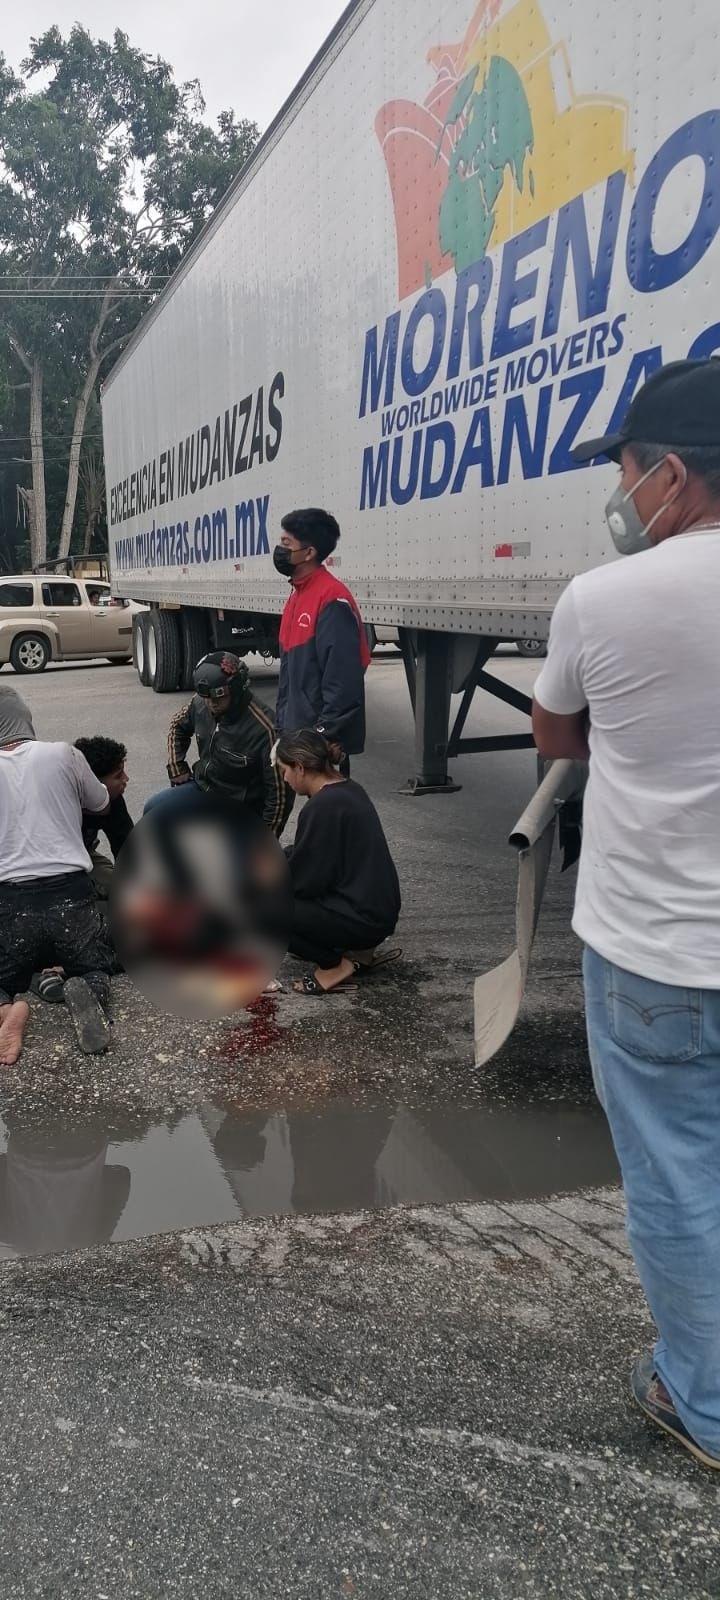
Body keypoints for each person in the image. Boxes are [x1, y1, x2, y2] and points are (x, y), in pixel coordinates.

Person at [531, 357, 720, 1472]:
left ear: (676, 474)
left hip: (654, 948)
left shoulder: (604, 596)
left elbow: (557, 735)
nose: (623, 492)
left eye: (628, 469)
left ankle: (700, 1395)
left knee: (677, 1178)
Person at [0, 686, 115, 1065]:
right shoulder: (64, 753)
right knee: (95, 960)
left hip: (14, 906)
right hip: (72, 897)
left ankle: (6, 1012)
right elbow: (101, 802)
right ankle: (86, 991)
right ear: (26, 716)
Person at [273, 729, 400, 994]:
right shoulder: (347, 789)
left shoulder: (322, 807)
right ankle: (354, 951)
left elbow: (306, 881)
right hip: (375, 910)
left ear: (299, 767)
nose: (284, 779)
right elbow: (317, 854)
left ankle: (332, 966)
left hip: (363, 918)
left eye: (284, 770)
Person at [146, 652, 290, 836]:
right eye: (206, 697)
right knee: (154, 809)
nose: (211, 703)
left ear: (237, 689)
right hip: (203, 789)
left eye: (218, 697)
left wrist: (264, 844)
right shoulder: (200, 703)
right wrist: (176, 765)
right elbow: (177, 725)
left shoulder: (265, 729)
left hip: (240, 809)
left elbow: (279, 797)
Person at [274, 508, 371, 768]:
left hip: (317, 745)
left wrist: (326, 736)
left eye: (287, 544)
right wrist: (282, 726)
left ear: (309, 552)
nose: (279, 550)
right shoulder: (297, 595)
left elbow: (342, 681)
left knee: (329, 806)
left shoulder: (331, 600)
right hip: (298, 737)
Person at [74, 735, 133, 895]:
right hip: (46, 868)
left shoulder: (113, 801)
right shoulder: (63, 803)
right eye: (118, 775)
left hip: (84, 855)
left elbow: (126, 848)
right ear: (92, 782)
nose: (126, 779)